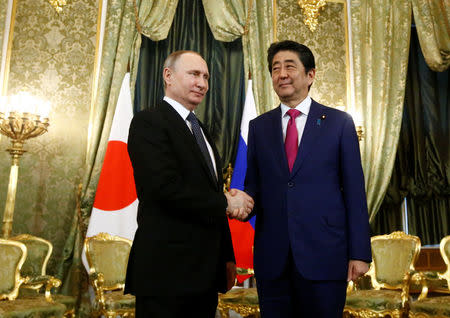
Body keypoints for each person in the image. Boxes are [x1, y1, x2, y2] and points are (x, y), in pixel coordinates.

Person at [240, 40, 372, 317]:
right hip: (272, 259)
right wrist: (240, 201)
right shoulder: (259, 127)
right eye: (275, 68)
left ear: (310, 75)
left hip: (325, 256)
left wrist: (359, 252)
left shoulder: (339, 123)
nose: (282, 74)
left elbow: (355, 192)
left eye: (290, 66)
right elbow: (253, 185)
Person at [125, 50, 254, 318]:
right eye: (194, 74)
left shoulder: (200, 128)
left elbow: (208, 196)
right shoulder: (149, 122)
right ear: (168, 76)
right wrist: (227, 203)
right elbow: (163, 189)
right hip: (166, 273)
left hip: (204, 274)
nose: (202, 83)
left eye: (206, 77)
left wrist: (227, 257)